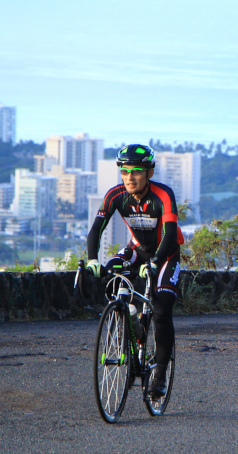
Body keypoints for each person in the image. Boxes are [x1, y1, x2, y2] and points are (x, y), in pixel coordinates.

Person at [86, 143, 184, 397]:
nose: (130, 177)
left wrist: (155, 262)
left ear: (149, 173)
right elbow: (96, 228)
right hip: (137, 249)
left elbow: (171, 235)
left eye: (137, 172)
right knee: (111, 271)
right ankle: (130, 320)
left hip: (166, 254)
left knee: (161, 308)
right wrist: (93, 260)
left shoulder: (163, 195)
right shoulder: (115, 195)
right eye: (125, 171)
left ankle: (160, 372)